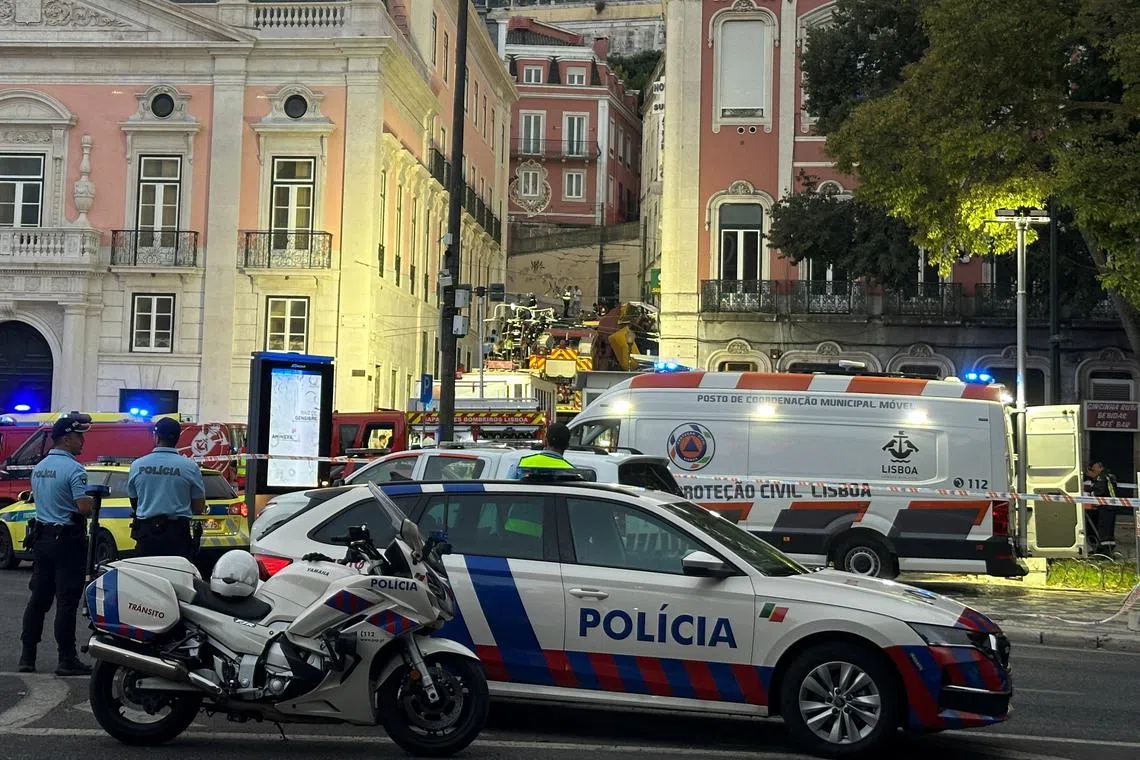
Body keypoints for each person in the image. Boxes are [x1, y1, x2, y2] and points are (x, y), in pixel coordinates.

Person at [19, 413, 94, 675]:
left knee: (38, 599)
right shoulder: (75, 469)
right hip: (67, 541)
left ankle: (27, 656)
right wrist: (93, 501)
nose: (82, 441)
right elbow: (83, 507)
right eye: (79, 436)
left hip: (42, 539)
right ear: (65, 438)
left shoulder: (40, 467)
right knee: (66, 601)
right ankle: (66, 658)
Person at [128, 417, 206, 559]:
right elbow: (198, 507)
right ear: (177, 439)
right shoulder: (190, 467)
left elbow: (135, 502)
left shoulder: (137, 465)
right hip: (177, 536)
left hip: (146, 536)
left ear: (156, 437)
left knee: (145, 572)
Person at [508, 423, 574, 478]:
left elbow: (508, 487)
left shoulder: (520, 464)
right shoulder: (571, 471)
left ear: (545, 441)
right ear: (567, 446)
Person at [1082, 461, 1119, 553]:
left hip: (1106, 506)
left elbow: (1100, 491)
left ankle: (1104, 550)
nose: (1093, 470)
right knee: (1108, 529)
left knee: (1104, 528)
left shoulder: (1102, 477)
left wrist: (1090, 494)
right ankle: (1107, 548)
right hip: (1111, 506)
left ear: (1100, 468)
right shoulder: (1109, 476)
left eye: (1094, 468)